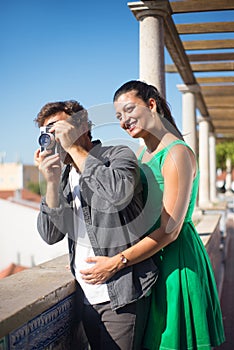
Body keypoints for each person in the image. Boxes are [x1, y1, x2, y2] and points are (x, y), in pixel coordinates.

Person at [80, 81, 225, 350]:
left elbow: (170, 230)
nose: (124, 121)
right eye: (118, 117)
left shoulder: (177, 153)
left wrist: (116, 262)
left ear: (151, 104)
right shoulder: (143, 153)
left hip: (174, 261)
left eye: (128, 110)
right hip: (149, 258)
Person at [34, 99, 158, 350]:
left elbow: (119, 193)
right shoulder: (64, 176)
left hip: (122, 294)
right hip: (86, 298)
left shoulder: (118, 155)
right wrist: (50, 183)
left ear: (82, 127)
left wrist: (76, 149)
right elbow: (50, 234)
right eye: (49, 132)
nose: (55, 137)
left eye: (59, 128)